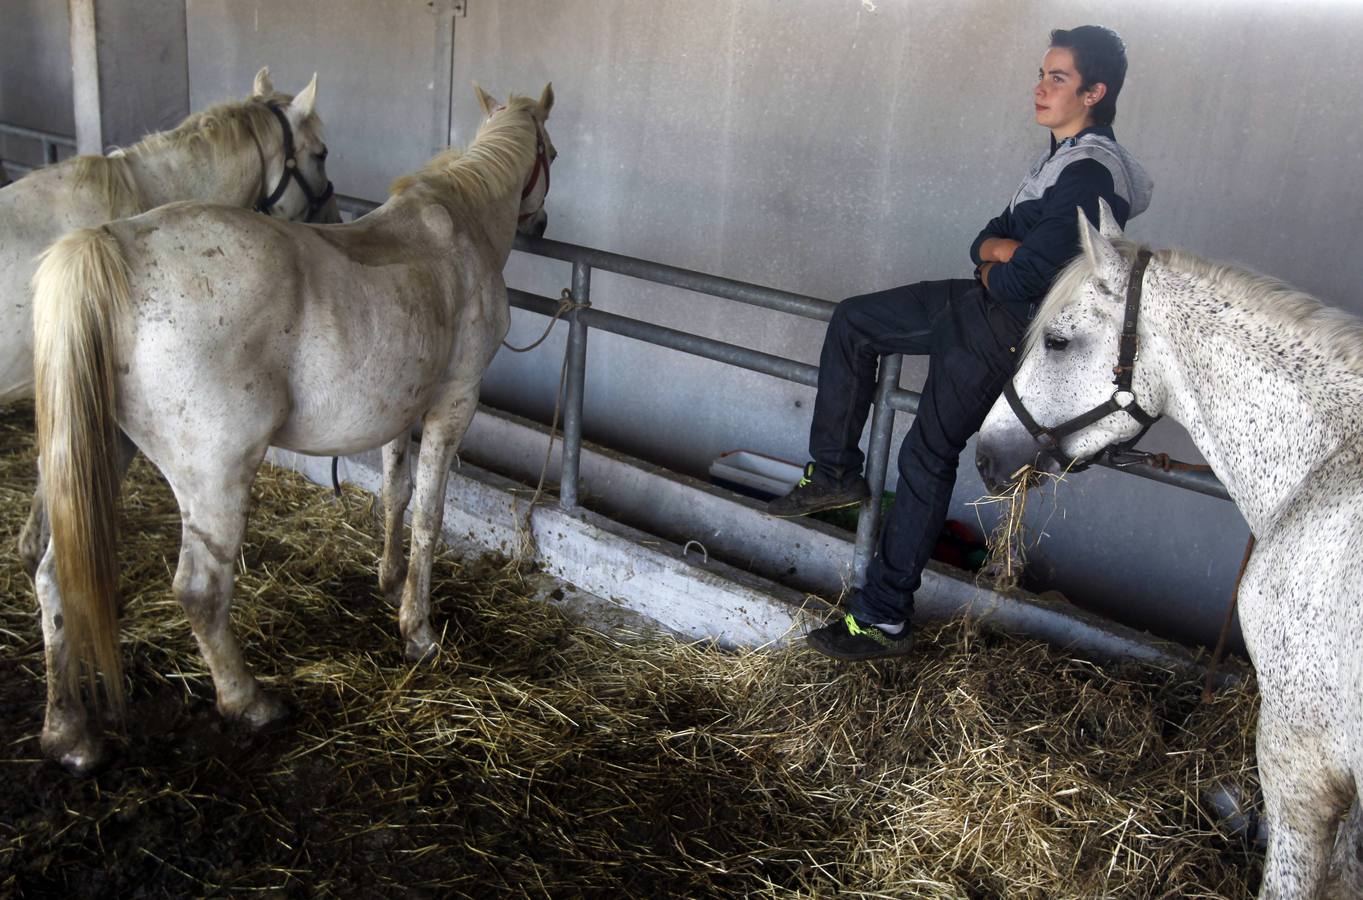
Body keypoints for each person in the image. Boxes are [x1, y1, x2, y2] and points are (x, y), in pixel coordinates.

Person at [769, 25, 1153, 661]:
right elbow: (985, 239)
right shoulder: (1059, 159)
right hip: (975, 301)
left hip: (1004, 328)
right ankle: (833, 472)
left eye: (1057, 78)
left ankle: (883, 617)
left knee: (927, 453)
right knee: (853, 320)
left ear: (1094, 91)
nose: (1040, 87)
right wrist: (998, 255)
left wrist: (999, 259)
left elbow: (1030, 277)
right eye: (1042, 72)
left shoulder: (1091, 174)